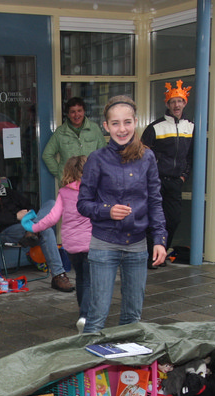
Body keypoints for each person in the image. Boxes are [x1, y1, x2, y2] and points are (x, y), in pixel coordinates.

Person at [77, 96, 167, 334]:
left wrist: (160, 239)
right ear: (106, 126)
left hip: (137, 245)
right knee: (97, 316)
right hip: (104, 244)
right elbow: (83, 204)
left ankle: (125, 357)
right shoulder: (97, 159)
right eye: (115, 123)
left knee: (132, 316)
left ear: (135, 122)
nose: (122, 129)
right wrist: (108, 211)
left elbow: (155, 201)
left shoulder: (147, 157)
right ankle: (88, 357)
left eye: (127, 122)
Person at [0, 164, 74, 292]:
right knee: (46, 230)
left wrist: (28, 215)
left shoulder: (9, 192)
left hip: (26, 225)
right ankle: (58, 275)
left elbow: (30, 206)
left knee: (52, 204)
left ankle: (32, 231)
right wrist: (16, 216)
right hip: (4, 230)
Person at [22, 155, 91, 333]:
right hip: (91, 243)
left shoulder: (64, 192)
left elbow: (52, 218)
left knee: (81, 278)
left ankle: (82, 314)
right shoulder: (93, 190)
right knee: (90, 280)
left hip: (71, 245)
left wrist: (34, 227)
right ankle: (87, 315)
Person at [141, 80, 194, 265]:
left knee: (173, 220)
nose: (176, 105)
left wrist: (183, 176)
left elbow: (191, 156)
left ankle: (161, 253)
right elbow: (142, 155)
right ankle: (151, 256)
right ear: (167, 104)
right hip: (156, 181)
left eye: (179, 101)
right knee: (153, 220)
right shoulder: (155, 127)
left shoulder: (190, 126)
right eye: (172, 102)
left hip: (175, 182)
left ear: (185, 103)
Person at [42, 98, 106, 185]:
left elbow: (104, 153)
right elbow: (47, 155)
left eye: (79, 111)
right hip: (69, 183)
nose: (76, 115)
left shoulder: (94, 129)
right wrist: (61, 174)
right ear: (68, 114)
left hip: (92, 180)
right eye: (73, 112)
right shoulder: (60, 132)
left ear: (84, 112)